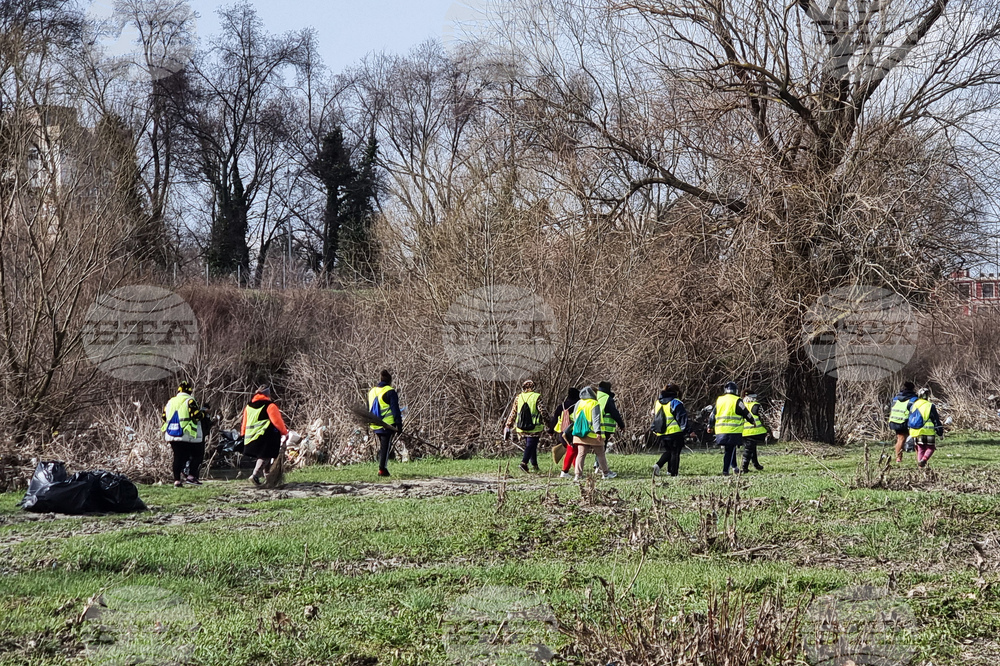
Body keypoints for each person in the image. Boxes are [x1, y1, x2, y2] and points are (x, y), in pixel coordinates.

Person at [241, 385, 289, 485]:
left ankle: (268, 477)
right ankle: (255, 475)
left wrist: (243, 434)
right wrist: (285, 432)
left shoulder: (248, 406)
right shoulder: (270, 406)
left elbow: (244, 423)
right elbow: (277, 422)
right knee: (266, 455)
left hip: (251, 438)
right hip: (264, 437)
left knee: (267, 455)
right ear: (267, 395)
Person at [162, 380, 205, 487]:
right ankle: (191, 476)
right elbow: (196, 415)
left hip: (172, 434)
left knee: (178, 457)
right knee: (198, 455)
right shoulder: (190, 401)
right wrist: (204, 413)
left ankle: (177, 480)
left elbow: (164, 416)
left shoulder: (170, 401)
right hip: (187, 434)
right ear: (189, 392)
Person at [504, 380, 551, 473]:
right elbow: (543, 412)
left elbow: (513, 412)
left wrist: (508, 425)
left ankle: (535, 465)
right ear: (534, 387)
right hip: (534, 427)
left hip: (521, 427)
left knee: (531, 445)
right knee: (530, 445)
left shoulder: (518, 397)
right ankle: (524, 463)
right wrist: (548, 423)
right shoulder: (537, 397)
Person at [708, 381, 754, 476]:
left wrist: (709, 426)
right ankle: (725, 471)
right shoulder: (737, 400)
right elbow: (745, 412)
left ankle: (735, 468)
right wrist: (752, 421)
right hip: (733, 430)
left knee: (730, 448)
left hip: (720, 430)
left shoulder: (719, 400)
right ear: (736, 391)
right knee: (730, 450)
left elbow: (712, 414)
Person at [571, 386, 617, 481]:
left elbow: (574, 417)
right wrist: (598, 432)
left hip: (580, 434)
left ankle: (577, 475)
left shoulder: (578, 403)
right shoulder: (594, 403)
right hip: (593, 435)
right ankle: (606, 473)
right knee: (600, 454)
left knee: (581, 454)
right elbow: (596, 419)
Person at [368, 370, 403, 477]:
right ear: (390, 381)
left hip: (374, 424)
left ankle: (383, 467)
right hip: (387, 425)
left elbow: (367, 408)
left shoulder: (372, 391)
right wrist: (399, 425)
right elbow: (395, 410)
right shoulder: (390, 391)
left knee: (384, 447)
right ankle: (382, 469)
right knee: (385, 447)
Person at [651, 383, 687, 477]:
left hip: (661, 432)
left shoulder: (658, 402)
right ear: (676, 392)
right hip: (675, 431)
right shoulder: (676, 402)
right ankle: (673, 474)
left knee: (669, 451)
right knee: (675, 453)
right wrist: (688, 430)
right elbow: (682, 418)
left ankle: (661, 467)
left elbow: (653, 414)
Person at [908, 387, 944, 468]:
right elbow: (936, 420)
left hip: (916, 431)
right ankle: (924, 459)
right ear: (927, 396)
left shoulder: (913, 405)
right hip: (928, 431)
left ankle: (920, 467)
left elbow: (910, 418)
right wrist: (940, 432)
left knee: (920, 448)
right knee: (931, 448)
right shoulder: (930, 406)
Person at [595, 381, 626, 469]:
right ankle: (599, 466)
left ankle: (596, 464)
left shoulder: (595, 396)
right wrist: (621, 425)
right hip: (605, 426)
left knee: (596, 446)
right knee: (602, 447)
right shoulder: (607, 398)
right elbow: (614, 413)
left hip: (593, 425)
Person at [552, 387, 580, 478]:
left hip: (562, 431)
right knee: (572, 450)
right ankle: (564, 471)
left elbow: (555, 418)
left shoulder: (562, 406)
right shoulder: (577, 405)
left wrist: (550, 430)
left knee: (574, 451)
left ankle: (577, 471)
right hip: (571, 431)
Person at [888, 381, 918, 463]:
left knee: (900, 439)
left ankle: (898, 458)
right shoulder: (914, 399)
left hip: (895, 421)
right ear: (913, 389)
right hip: (907, 421)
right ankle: (919, 459)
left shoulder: (896, 398)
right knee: (916, 440)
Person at [740, 391, 768, 473]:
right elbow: (763, 418)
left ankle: (756, 464)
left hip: (742, 431)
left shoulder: (741, 406)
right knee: (749, 449)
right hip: (755, 431)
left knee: (752, 447)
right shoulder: (756, 405)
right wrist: (767, 428)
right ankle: (744, 467)